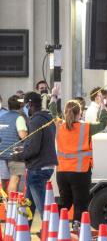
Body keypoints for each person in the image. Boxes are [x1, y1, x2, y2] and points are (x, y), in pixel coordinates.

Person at [56, 100, 107, 231]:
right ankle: (78, 228)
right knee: (80, 203)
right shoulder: (86, 128)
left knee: (65, 202)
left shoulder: (59, 125)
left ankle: (51, 219)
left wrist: (53, 98)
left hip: (62, 172)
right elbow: (103, 124)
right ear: (80, 113)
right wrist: (103, 107)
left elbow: (52, 113)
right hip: (80, 171)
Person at [12, 92, 57, 221]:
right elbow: (40, 144)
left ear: (29, 104)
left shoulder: (35, 121)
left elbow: (34, 148)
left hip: (37, 169)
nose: (22, 108)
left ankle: (52, 233)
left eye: (24, 104)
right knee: (28, 207)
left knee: (44, 209)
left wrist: (19, 156)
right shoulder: (48, 119)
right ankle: (24, 231)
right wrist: (24, 149)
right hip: (45, 166)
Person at [1, 96, 28, 193]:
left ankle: (4, 204)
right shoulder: (19, 117)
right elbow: (23, 135)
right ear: (21, 105)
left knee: (3, 180)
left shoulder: (2, 117)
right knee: (14, 179)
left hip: (1, 153)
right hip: (15, 154)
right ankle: (11, 205)